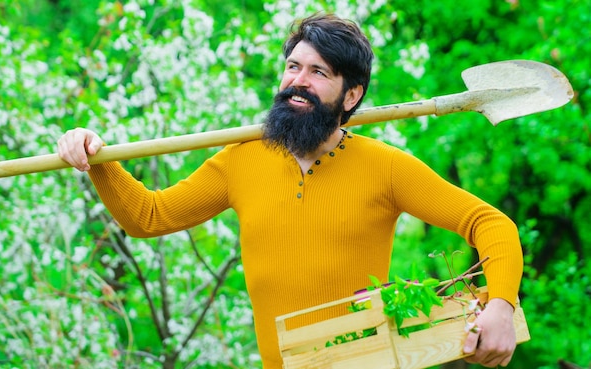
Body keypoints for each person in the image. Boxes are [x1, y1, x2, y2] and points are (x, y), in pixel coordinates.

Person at [57, 13, 523, 369]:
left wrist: (500, 303)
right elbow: (149, 218)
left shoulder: (386, 168)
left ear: (351, 95)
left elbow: (490, 223)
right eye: (293, 66)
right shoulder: (240, 159)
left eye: (318, 72)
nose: (298, 81)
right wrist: (98, 160)